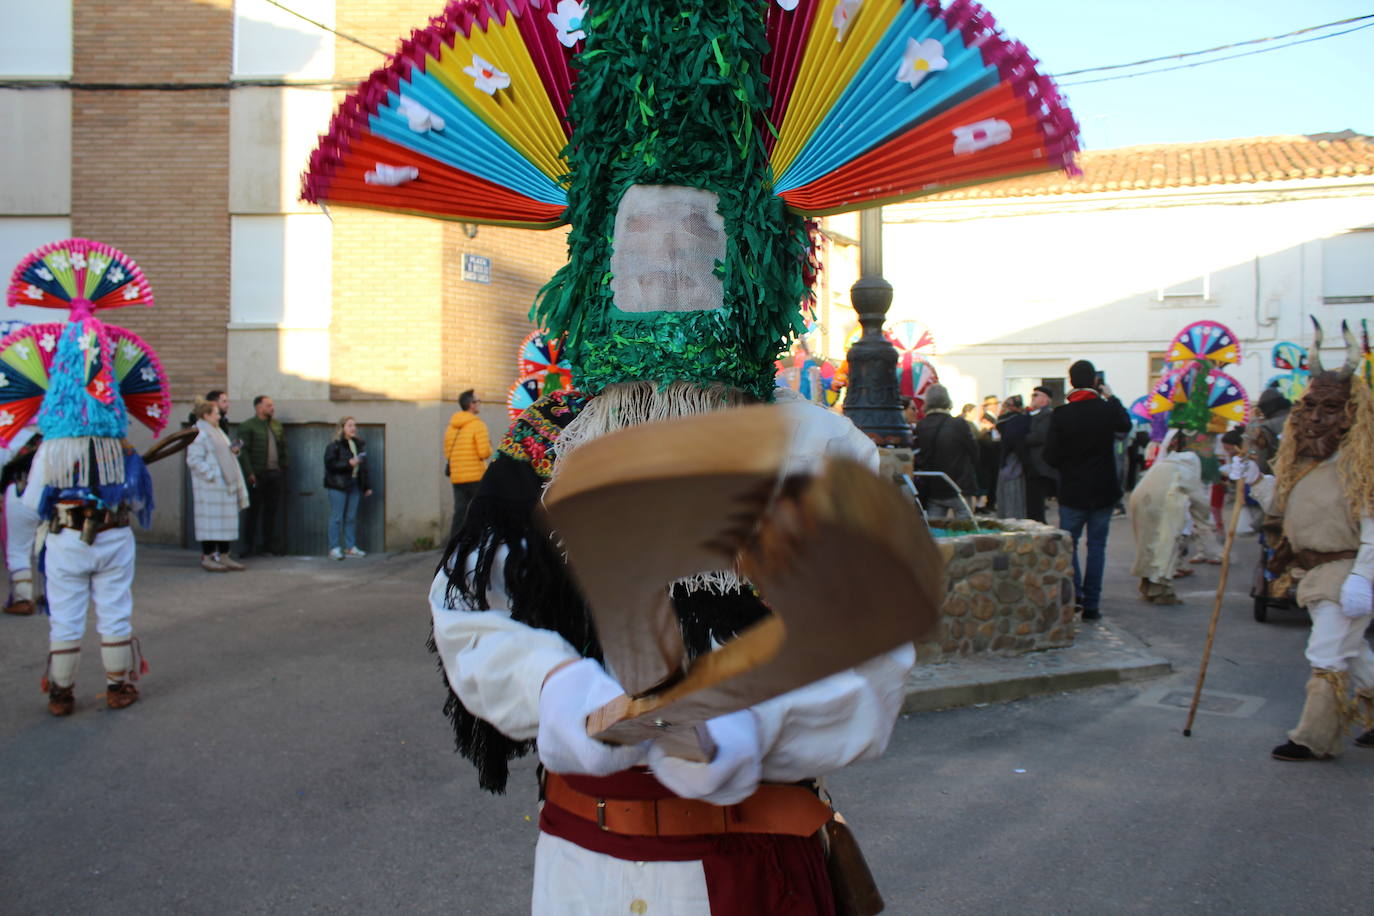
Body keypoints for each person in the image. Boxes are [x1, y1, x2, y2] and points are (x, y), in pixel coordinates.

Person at [1232, 322, 1374, 760]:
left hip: (1344, 571)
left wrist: (1363, 578)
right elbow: (1282, 502)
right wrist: (1255, 479)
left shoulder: (1362, 466)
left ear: (1352, 412)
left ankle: (1313, 738)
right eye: (1310, 407)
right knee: (1353, 652)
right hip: (1312, 571)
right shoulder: (1306, 460)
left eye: (1329, 409)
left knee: (1328, 651)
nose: (1315, 418)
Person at [1045, 359, 1133, 621]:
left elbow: (1050, 456)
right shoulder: (1106, 410)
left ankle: (1076, 595)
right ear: (1095, 381)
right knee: (1097, 548)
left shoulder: (1061, 414)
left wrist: (1067, 465)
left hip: (1072, 492)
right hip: (1103, 492)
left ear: (1070, 382)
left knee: (1068, 547)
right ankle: (1092, 605)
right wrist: (1111, 396)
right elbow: (1125, 425)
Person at [1128, 430, 1211, 604]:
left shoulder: (1166, 463)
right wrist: (1205, 520)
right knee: (1165, 546)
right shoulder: (1187, 469)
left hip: (1141, 501)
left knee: (1147, 545)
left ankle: (1147, 586)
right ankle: (1161, 590)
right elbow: (1200, 500)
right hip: (1162, 507)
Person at [186, 398, 250, 572]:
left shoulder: (218, 431)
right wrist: (212, 474)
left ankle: (224, 555)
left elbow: (223, 453)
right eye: (216, 413)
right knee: (210, 523)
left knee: (225, 522)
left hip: (225, 485)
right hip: (211, 488)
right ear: (206, 415)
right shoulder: (199, 432)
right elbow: (193, 459)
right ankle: (207, 556)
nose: (219, 417)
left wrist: (234, 451)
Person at [913, 384, 979, 520]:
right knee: (965, 532)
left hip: (935, 487)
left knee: (935, 533)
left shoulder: (921, 425)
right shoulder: (959, 424)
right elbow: (975, 453)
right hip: (959, 487)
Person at [237, 395, 287, 556]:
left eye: (272, 405)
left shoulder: (276, 425)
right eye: (268, 405)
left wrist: (283, 467)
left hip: (274, 474)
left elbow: (283, 447)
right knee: (252, 512)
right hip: (257, 475)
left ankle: (268, 545)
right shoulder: (247, 426)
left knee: (271, 512)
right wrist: (249, 472)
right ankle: (248, 546)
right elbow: (242, 452)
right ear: (259, 407)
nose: (272, 408)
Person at [2, 426, 43, 614]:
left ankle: (23, 597)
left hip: (20, 492)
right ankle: (50, 594)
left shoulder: (7, 436)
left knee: (18, 548)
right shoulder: (53, 436)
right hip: (52, 496)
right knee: (49, 547)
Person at [443, 389, 491, 541]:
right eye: (477, 401)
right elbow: (483, 453)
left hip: (457, 477)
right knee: (481, 510)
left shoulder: (451, 427)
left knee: (460, 512)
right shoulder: (478, 425)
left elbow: (447, 453)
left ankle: (455, 544)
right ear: (471, 405)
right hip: (475, 476)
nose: (479, 404)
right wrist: (489, 446)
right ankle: (479, 541)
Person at [323, 417, 373, 560]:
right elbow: (330, 465)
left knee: (351, 518)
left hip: (354, 485)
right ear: (342, 428)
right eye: (350, 425)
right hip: (337, 485)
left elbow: (363, 468)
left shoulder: (358, 445)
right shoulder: (334, 446)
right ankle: (334, 548)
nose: (353, 428)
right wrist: (349, 463)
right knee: (336, 517)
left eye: (354, 425)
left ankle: (350, 548)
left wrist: (367, 486)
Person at [1024, 386, 1058, 523]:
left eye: (1036, 395)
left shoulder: (1047, 415)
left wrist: (1022, 437)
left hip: (1040, 466)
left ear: (1045, 399)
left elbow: (1039, 436)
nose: (1032, 398)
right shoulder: (1035, 414)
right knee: (1033, 503)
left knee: (1036, 503)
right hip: (1034, 465)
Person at [995, 395, 1030, 520]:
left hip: (1009, 461)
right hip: (1014, 462)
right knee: (1014, 497)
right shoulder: (1022, 419)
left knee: (1008, 497)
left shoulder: (1007, 421)